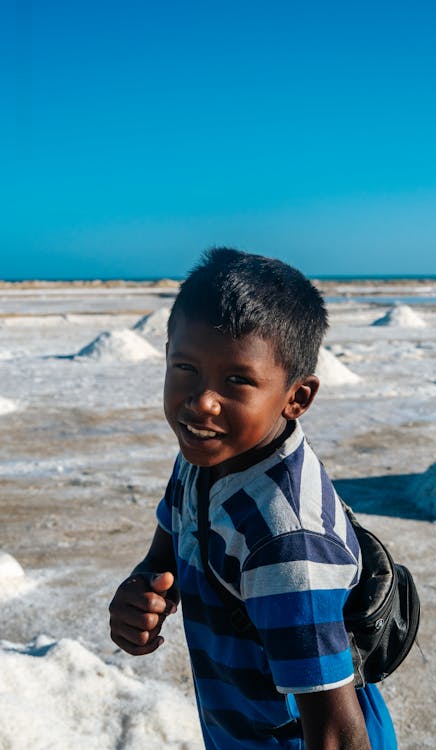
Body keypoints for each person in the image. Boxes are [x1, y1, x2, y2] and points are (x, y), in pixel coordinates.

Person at [109, 248, 398, 750]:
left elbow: (335, 734)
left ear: (297, 397)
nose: (202, 400)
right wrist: (143, 594)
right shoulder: (202, 459)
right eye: (185, 367)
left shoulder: (286, 544)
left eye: (237, 380)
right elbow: (169, 548)